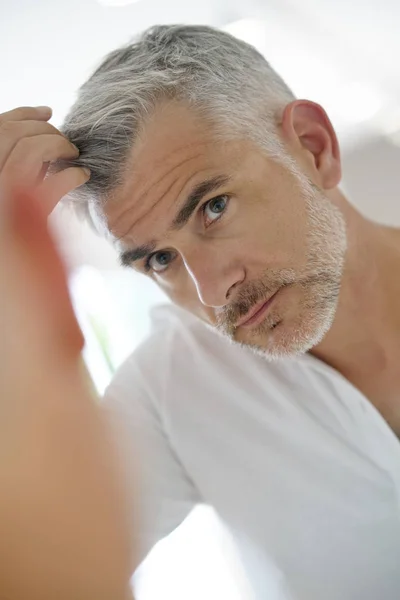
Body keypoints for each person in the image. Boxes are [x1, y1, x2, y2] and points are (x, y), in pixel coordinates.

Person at [1, 24, 400, 600]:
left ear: (314, 148)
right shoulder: (170, 390)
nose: (212, 293)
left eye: (213, 207)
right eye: (161, 259)